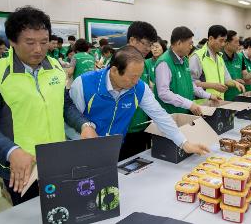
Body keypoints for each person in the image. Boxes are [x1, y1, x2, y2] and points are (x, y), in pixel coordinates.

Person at [0, 6, 97, 206]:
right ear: (12, 41)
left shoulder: (55, 68)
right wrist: (12, 151)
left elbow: (65, 105)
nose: (38, 49)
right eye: (30, 42)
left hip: (58, 161)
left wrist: (85, 125)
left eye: (44, 42)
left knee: (62, 210)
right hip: (22, 169)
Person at [69, 46, 209, 161]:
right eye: (132, 77)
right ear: (114, 71)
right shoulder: (84, 84)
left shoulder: (139, 88)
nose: (136, 81)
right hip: (84, 151)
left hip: (114, 150)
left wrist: (184, 143)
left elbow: (160, 116)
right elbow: (72, 119)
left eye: (139, 76)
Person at [155, 26, 220, 115]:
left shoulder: (184, 60)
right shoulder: (164, 62)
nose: (191, 47)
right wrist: (188, 104)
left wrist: (208, 96)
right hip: (170, 115)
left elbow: (190, 85)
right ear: (179, 43)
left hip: (184, 112)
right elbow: (163, 93)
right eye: (189, 43)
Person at [126, 21, 158, 158]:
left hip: (142, 124)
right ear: (132, 40)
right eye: (146, 44)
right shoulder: (119, 63)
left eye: (151, 45)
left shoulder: (143, 63)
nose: (149, 49)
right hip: (125, 129)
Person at [189, 25, 245, 99]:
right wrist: (213, 86)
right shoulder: (197, 56)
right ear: (211, 38)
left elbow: (226, 79)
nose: (223, 44)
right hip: (203, 103)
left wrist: (235, 83)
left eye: (224, 41)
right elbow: (191, 82)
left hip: (218, 101)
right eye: (221, 40)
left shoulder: (219, 57)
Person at [222, 30, 251, 101]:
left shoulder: (240, 57)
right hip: (223, 98)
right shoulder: (219, 57)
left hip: (238, 96)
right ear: (227, 43)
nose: (239, 44)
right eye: (236, 42)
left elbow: (246, 76)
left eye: (239, 41)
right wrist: (233, 81)